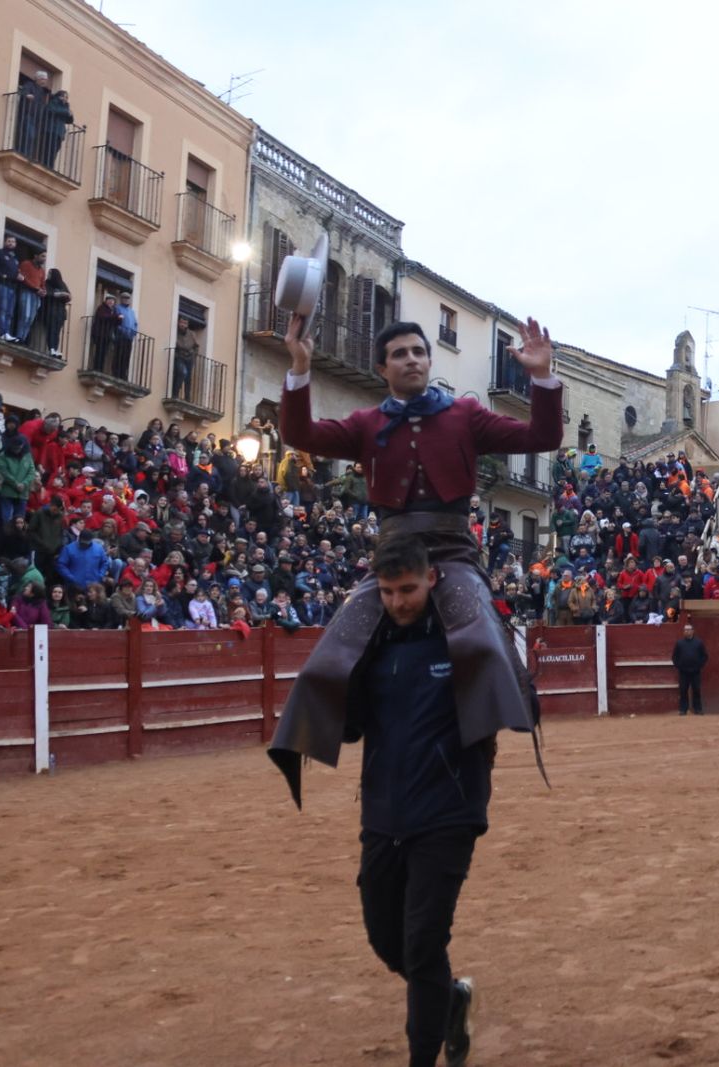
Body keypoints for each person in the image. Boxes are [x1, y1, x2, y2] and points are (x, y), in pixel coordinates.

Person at [268, 312, 564, 806]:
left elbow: (543, 438)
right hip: (392, 556)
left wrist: (541, 376)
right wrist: (299, 366)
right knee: (333, 650)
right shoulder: (367, 422)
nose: (411, 359)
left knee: (485, 641)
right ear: (383, 368)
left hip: (453, 553)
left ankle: (496, 725)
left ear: (428, 360)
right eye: (400, 354)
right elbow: (302, 435)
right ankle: (340, 729)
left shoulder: (465, 415)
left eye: (418, 352)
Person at [346, 535, 489, 1067]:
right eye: (386, 592)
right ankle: (449, 998)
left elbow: (514, 697)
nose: (398, 602)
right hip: (384, 813)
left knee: (423, 944)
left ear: (431, 579)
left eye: (407, 588)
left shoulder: (465, 637)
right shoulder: (372, 644)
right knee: (388, 941)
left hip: (449, 811)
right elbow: (349, 729)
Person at [671, 622, 708, 715]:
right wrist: (679, 666)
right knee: (683, 690)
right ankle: (683, 709)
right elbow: (674, 657)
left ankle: (698, 709)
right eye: (685, 630)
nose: (686, 631)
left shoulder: (699, 643)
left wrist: (699, 666)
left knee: (696, 690)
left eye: (688, 629)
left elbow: (704, 656)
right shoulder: (679, 643)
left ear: (692, 631)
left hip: (695, 671)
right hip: (683, 671)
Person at [41, 267, 71, 357]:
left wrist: (61, 295)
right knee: (51, 330)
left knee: (57, 332)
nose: (48, 275)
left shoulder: (62, 284)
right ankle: (51, 348)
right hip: (50, 311)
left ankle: (55, 348)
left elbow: (68, 296)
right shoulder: (47, 283)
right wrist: (60, 294)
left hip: (60, 312)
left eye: (50, 273)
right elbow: (48, 294)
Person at [172, 316, 200, 402]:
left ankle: (187, 397)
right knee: (182, 373)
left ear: (187, 325)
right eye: (181, 322)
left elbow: (196, 346)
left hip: (189, 358)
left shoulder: (192, 334)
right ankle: (175, 393)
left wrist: (194, 355)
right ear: (178, 323)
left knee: (188, 379)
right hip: (179, 356)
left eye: (185, 323)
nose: (183, 325)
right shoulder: (175, 333)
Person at [115, 292, 139, 379]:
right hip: (120, 336)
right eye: (124, 298)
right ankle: (117, 373)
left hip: (129, 337)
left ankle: (123, 374)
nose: (126, 300)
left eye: (128, 298)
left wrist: (134, 332)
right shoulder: (117, 308)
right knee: (119, 355)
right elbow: (116, 320)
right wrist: (121, 330)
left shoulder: (131, 312)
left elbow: (135, 323)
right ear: (121, 299)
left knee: (126, 356)